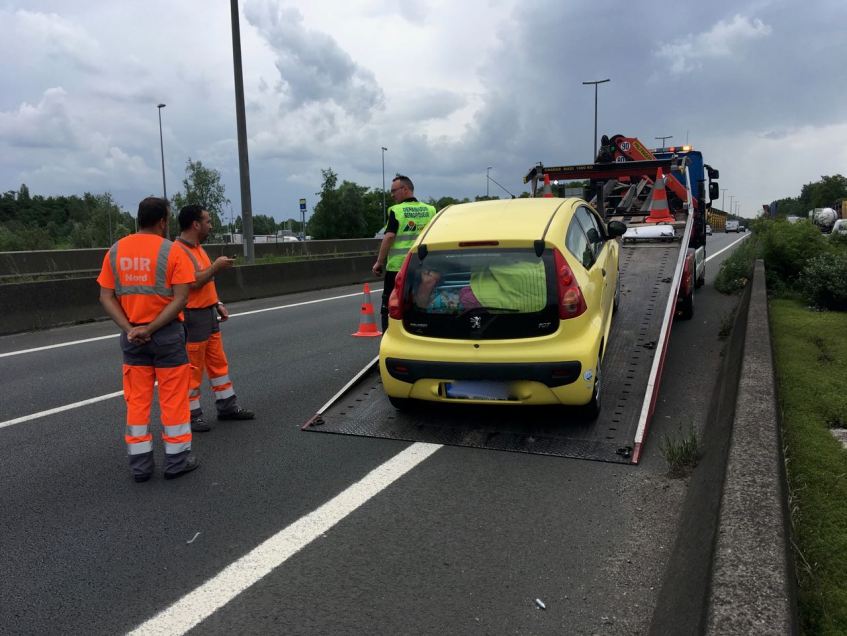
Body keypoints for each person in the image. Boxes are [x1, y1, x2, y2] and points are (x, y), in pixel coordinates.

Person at [97, 197, 199, 482]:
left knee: (137, 402)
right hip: (166, 335)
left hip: (132, 338)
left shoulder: (115, 251)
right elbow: (181, 298)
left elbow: (106, 296)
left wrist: (130, 328)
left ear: (139, 218)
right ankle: (177, 460)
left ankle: (140, 466)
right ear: (163, 221)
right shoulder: (172, 251)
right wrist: (151, 328)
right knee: (173, 399)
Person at [176, 205, 255, 432]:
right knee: (193, 368)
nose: (211, 226)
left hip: (208, 312)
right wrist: (216, 267)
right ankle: (192, 415)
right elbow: (193, 282)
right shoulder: (179, 251)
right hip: (193, 315)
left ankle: (227, 407)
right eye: (208, 221)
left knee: (218, 364)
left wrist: (217, 303)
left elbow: (206, 282)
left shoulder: (198, 248)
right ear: (195, 224)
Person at [372, 175, 437, 330]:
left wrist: (379, 262)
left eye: (394, 191)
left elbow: (389, 237)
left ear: (405, 189)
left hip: (398, 268)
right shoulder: (431, 210)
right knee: (421, 303)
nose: (392, 195)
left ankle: (390, 336)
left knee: (391, 305)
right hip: (424, 267)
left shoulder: (396, 211)